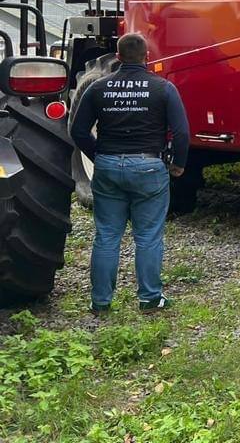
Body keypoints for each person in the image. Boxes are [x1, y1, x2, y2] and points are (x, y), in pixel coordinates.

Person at [70, 33, 190, 314]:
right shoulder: (163, 88)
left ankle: (100, 302)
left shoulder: (98, 87)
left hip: (108, 167)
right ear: (147, 56)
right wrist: (179, 163)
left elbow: (77, 130)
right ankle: (150, 299)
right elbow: (182, 133)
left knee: (107, 236)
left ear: (118, 56)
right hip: (149, 167)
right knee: (148, 237)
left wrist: (100, 156)